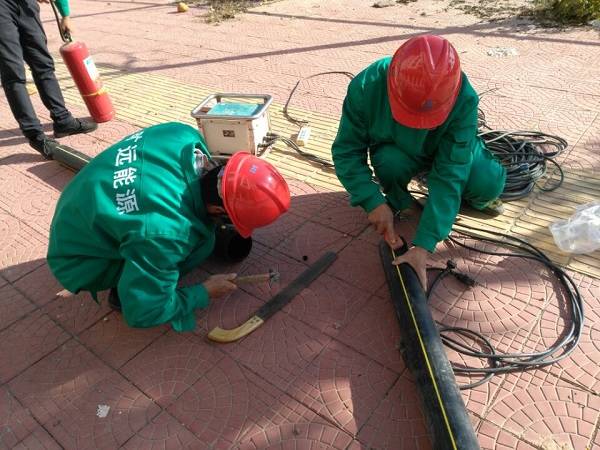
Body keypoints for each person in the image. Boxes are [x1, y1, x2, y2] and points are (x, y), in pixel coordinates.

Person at [47, 122, 291, 332]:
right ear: (219, 210)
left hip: (80, 209)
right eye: (228, 219)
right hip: (78, 259)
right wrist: (203, 292)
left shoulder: (184, 136)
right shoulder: (167, 233)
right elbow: (143, 314)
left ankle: (139, 264)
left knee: (199, 237)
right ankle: (124, 292)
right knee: (200, 245)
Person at [331, 34, 506, 289]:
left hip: (445, 149)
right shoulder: (366, 86)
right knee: (389, 162)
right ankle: (401, 202)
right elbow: (347, 150)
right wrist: (371, 200)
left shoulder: (464, 98)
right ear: (392, 82)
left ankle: (452, 205)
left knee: (488, 183)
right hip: (397, 148)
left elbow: (451, 171)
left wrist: (425, 243)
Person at [0, 0, 97, 156]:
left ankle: (63, 120)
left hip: (26, 5)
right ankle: (35, 136)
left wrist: (65, 15)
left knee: (43, 64)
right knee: (14, 74)